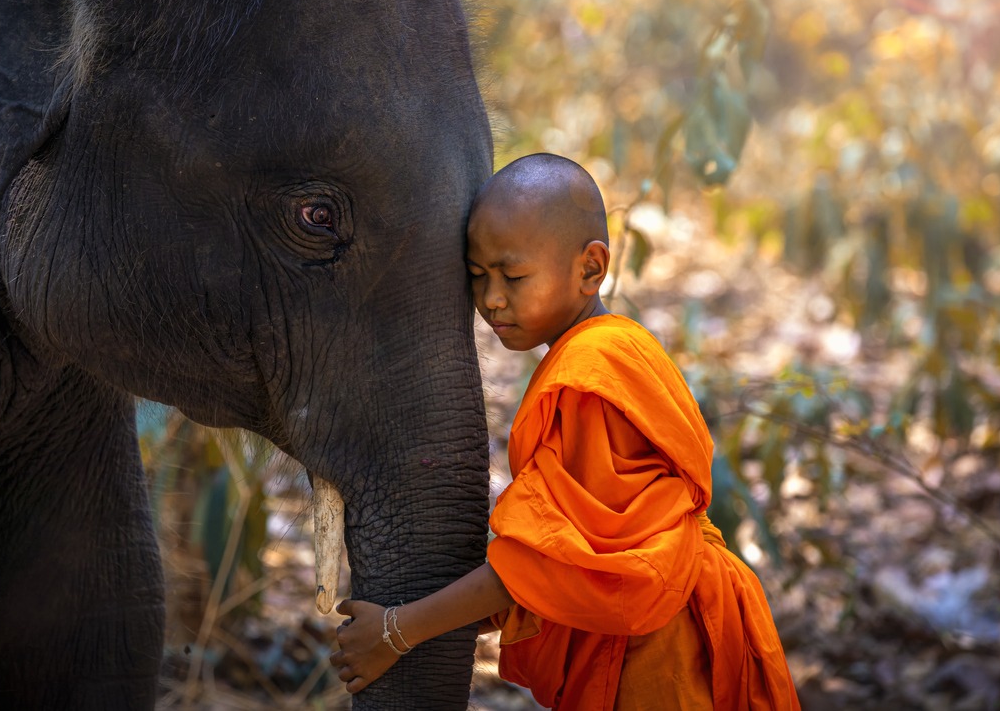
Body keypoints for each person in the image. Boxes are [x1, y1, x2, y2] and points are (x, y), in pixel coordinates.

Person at [329, 152, 800, 710]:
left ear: (591, 268)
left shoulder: (589, 378)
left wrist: (398, 631)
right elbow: (562, 566)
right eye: (478, 277)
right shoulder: (606, 350)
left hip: (664, 654)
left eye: (514, 275)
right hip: (660, 622)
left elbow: (549, 563)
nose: (492, 299)